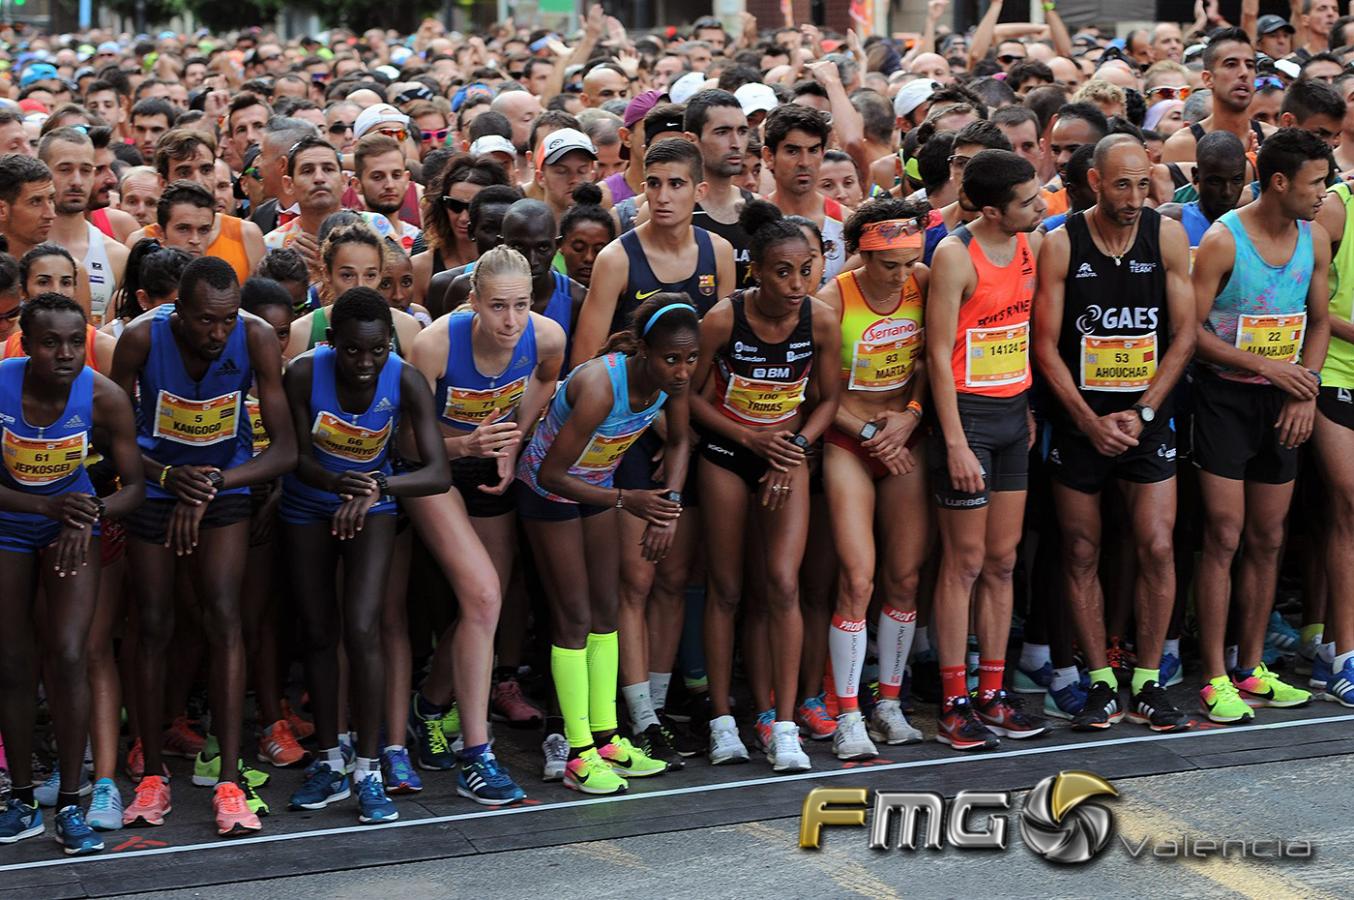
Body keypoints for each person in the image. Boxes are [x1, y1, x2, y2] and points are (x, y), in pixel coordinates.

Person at [109, 257, 297, 835]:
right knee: (154, 621)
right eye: (203, 321)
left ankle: (231, 779)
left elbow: (284, 450)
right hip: (156, 482)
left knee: (225, 617)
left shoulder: (257, 337)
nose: (217, 333)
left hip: (224, 483)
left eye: (225, 320)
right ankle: (153, 773)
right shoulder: (141, 338)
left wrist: (213, 483)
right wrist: (168, 478)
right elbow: (107, 433)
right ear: (175, 312)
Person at [1032, 135, 1195, 733]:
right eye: (1121, 184)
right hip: (1082, 422)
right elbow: (1043, 345)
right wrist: (1086, 421)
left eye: (1143, 183)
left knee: (1156, 544)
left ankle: (1149, 681)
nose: (1134, 196)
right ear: (1095, 181)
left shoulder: (1167, 235)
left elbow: (1184, 334)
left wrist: (1146, 411)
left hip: (1145, 419)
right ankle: (1099, 679)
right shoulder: (1060, 242)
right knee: (1079, 550)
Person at [515, 294, 698, 794]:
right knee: (573, 617)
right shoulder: (600, 386)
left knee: (606, 612)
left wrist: (669, 506)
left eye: (690, 359)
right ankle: (577, 753)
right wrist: (627, 499)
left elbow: (680, 442)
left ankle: (608, 740)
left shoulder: (670, 384)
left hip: (598, 488)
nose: (682, 371)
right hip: (549, 492)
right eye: (671, 359)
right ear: (643, 350)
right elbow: (552, 472)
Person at [281, 287, 450, 823]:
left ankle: (370, 768)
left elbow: (437, 473)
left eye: (377, 351)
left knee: (363, 626)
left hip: (373, 504)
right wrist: (340, 483)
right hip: (309, 503)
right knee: (316, 631)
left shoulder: (405, 379)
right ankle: (330, 761)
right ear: (333, 344)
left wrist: (376, 488)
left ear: (391, 346)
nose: (365, 362)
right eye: (353, 350)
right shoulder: (305, 374)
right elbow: (295, 458)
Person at [690, 201, 842, 770]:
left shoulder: (819, 320)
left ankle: (783, 727)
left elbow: (828, 400)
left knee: (782, 583)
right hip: (730, 453)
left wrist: (796, 448)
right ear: (755, 269)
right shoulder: (725, 319)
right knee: (727, 588)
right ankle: (724, 722)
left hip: (788, 456)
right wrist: (751, 440)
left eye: (806, 269)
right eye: (783, 271)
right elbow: (692, 400)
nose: (797, 282)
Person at [407, 246, 563, 788]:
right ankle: (478, 754)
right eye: (498, 307)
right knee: (483, 596)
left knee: (486, 604)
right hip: (437, 470)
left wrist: (515, 436)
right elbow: (406, 443)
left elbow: (547, 377)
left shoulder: (546, 337)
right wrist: (467, 444)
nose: (511, 321)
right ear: (472, 302)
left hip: (488, 462)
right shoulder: (434, 346)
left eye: (521, 306)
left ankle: (428, 707)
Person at [1190, 128, 1331, 723]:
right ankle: (1214, 675)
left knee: (1269, 538)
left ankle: (1251, 666)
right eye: (1316, 182)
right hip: (1225, 399)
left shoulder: (1315, 237)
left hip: (1284, 402)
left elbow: (1319, 320)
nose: (1325, 192)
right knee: (1224, 534)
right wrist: (1264, 368)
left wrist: (1304, 388)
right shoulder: (1224, 241)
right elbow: (1190, 332)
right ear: (1279, 183)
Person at [0, 293, 144, 854]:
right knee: (13, 661)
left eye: (73, 342)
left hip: (72, 529)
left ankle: (70, 804)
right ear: (26, 344)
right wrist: (45, 509)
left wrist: (89, 515)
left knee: (68, 653)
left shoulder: (103, 396)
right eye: (50, 343)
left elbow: (133, 486)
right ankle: (20, 797)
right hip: (13, 523)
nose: (64, 354)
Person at [926, 149, 1048, 751]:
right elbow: (937, 358)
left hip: (1010, 415)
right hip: (968, 421)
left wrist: (1023, 404)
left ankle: (993, 692)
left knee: (1002, 562)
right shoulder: (955, 255)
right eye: (1028, 202)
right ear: (995, 210)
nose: (1042, 207)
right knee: (965, 563)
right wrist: (954, 442)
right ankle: (954, 701)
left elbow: (1020, 333)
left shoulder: (1032, 245)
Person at [816, 198, 931, 758]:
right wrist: (867, 435)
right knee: (858, 578)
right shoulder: (833, 296)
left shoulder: (924, 283)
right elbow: (818, 391)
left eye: (910, 263)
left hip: (902, 437)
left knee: (905, 576)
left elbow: (932, 362)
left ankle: (888, 703)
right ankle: (847, 714)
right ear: (864, 254)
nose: (903, 275)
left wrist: (909, 416)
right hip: (849, 440)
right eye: (891, 265)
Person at [573, 139, 736, 367]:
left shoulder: (720, 252)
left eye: (676, 184)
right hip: (631, 394)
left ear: (700, 191)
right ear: (644, 190)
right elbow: (585, 360)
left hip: (694, 392)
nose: (662, 197)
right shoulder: (616, 260)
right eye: (654, 183)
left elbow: (722, 349)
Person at [286, 222, 422, 359]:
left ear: (380, 275)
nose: (360, 285)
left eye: (370, 275)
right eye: (347, 275)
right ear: (327, 274)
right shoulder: (300, 334)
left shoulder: (406, 328)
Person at [762, 104, 849, 287]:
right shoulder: (751, 222)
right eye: (792, 151)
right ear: (769, 156)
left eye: (813, 150)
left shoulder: (846, 223)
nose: (805, 162)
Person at [558, 184, 616, 289]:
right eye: (579, 248)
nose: (589, 258)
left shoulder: (624, 298)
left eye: (599, 250)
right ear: (560, 245)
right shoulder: (547, 294)